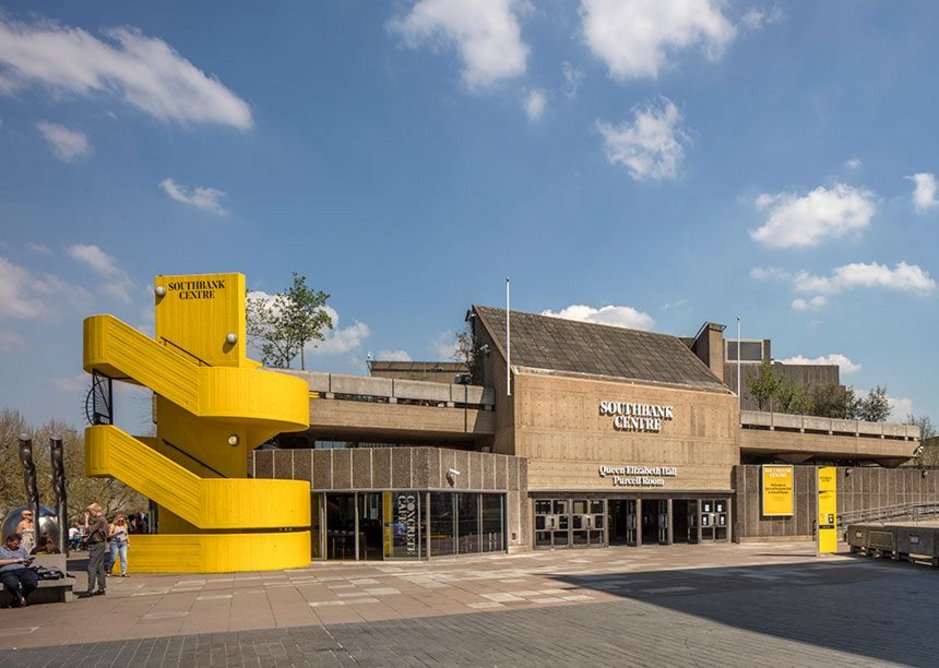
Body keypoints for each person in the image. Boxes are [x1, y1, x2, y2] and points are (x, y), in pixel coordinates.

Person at [0, 533, 37, 608]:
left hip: (22, 570)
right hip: (7, 572)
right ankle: (20, 599)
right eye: (16, 544)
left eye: (19, 544)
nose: (17, 546)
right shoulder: (1, 550)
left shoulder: (22, 549)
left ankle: (18, 599)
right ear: (9, 542)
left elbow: (26, 561)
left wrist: (28, 562)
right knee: (12, 584)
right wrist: (15, 560)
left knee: (32, 583)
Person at [79, 502, 108, 598]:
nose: (90, 514)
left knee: (91, 566)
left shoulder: (100, 520)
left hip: (97, 545)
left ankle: (90, 590)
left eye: (90, 511)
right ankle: (101, 588)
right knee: (99, 566)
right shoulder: (101, 520)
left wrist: (86, 520)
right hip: (99, 544)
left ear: (94, 510)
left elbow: (88, 529)